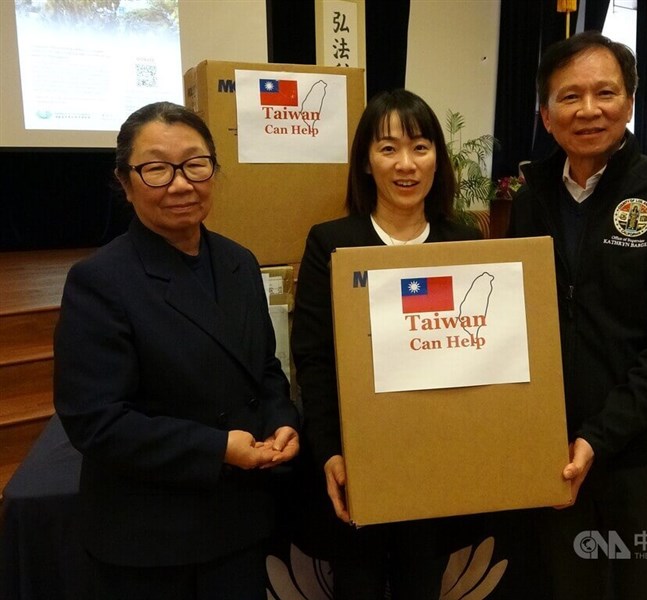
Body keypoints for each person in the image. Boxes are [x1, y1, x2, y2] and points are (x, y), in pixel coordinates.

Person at [53, 101, 300, 600]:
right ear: (125, 182)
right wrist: (217, 448)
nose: (182, 183)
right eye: (157, 169)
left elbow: (265, 368)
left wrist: (282, 419)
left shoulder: (238, 261)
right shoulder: (101, 281)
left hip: (239, 523)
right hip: (152, 540)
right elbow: (96, 421)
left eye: (195, 164)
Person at [507, 31, 647, 599]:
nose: (589, 109)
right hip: (555, 450)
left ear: (629, 102)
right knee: (566, 585)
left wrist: (599, 436)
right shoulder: (530, 198)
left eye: (606, 92)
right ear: (545, 116)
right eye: (570, 96)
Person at [290, 89, 483, 599]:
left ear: (438, 159)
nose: (406, 164)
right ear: (365, 161)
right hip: (361, 462)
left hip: (441, 461)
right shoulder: (331, 243)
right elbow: (313, 357)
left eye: (420, 147)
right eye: (388, 148)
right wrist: (330, 450)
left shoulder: (464, 245)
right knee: (358, 583)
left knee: (424, 582)